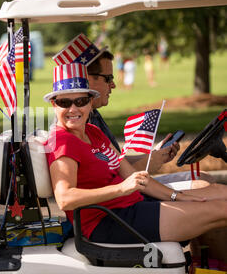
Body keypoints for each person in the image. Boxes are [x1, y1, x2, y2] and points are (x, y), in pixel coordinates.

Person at [44, 61, 227, 244]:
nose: (73, 109)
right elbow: (64, 198)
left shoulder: (93, 132)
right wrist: (121, 188)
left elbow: (135, 177)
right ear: (54, 104)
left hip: (132, 206)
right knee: (221, 209)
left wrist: (179, 197)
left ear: (91, 102)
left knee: (220, 192)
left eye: (81, 101)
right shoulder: (62, 141)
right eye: (64, 102)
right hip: (110, 222)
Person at [84, 42, 214, 184]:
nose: (113, 85)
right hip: (124, 199)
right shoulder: (82, 125)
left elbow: (119, 162)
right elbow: (112, 178)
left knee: (203, 178)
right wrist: (150, 162)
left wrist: (155, 154)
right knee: (202, 183)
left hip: (130, 194)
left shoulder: (93, 115)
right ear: (87, 78)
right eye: (108, 78)